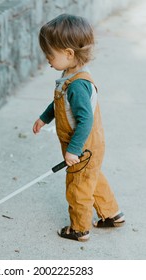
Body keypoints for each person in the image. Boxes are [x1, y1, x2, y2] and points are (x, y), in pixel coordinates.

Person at [33, 14, 125, 241]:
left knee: (78, 187)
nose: (47, 60)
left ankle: (79, 228)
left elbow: (85, 121)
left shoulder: (78, 86)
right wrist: (44, 118)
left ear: (68, 53)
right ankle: (112, 214)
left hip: (83, 146)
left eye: (50, 55)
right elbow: (59, 104)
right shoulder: (69, 76)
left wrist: (73, 149)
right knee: (92, 178)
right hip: (89, 147)